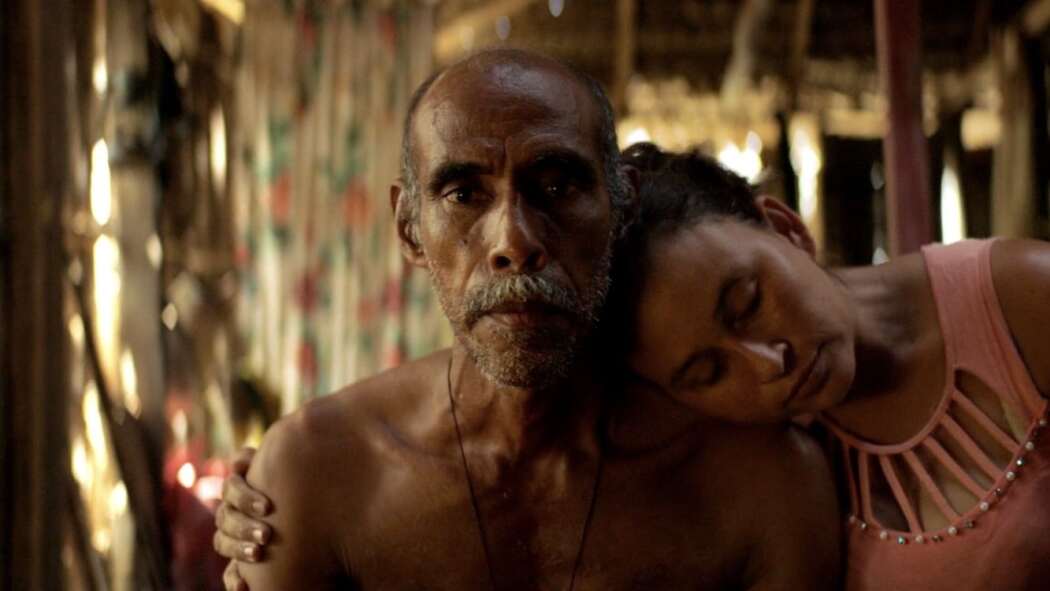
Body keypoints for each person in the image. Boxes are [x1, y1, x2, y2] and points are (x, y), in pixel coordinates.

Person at [220, 141, 1050, 591]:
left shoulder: (1014, 302)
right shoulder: (746, 460)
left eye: (746, 299)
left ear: (784, 228)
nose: (768, 364)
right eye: (703, 370)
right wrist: (277, 485)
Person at [212, 51, 840, 590]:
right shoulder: (313, 478)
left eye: (559, 186)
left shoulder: (761, 486)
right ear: (409, 228)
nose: (513, 239)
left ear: (621, 205)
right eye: (463, 194)